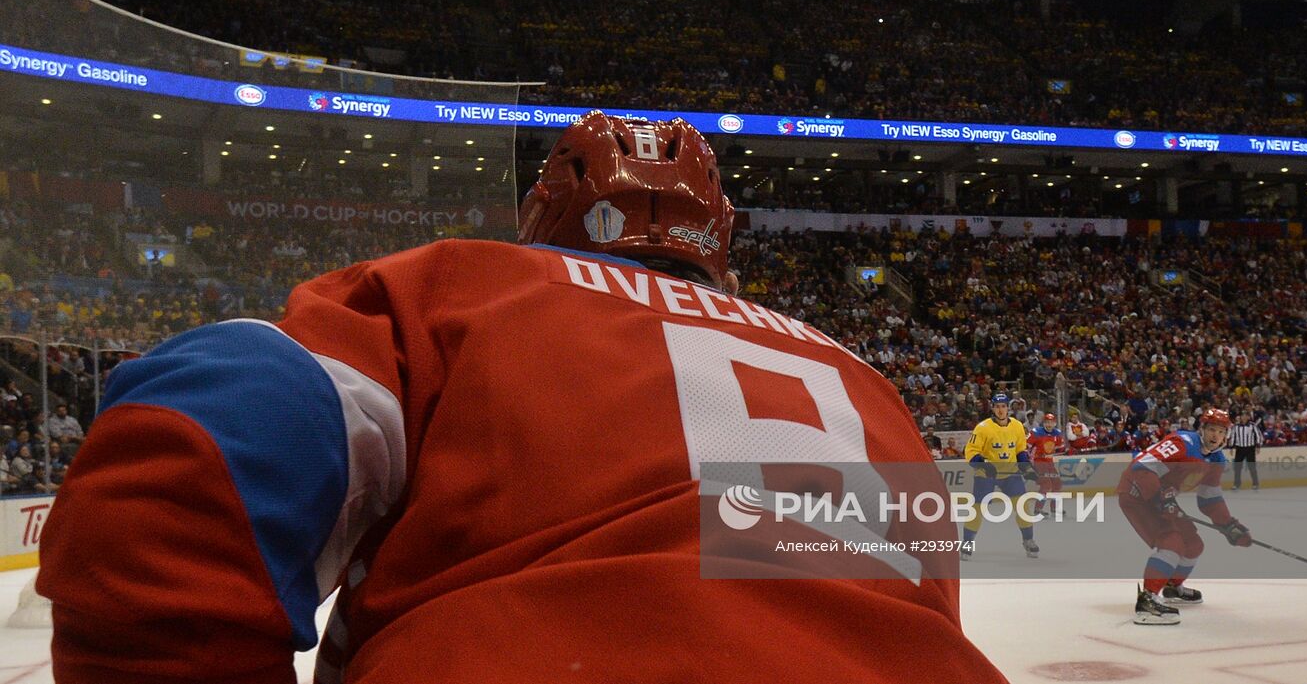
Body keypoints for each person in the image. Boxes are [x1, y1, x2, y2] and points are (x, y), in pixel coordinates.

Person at [38, 112, 1007, 683]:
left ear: (543, 215)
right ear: (724, 243)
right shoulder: (866, 384)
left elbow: (186, 446)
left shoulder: (471, 287)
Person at [1117, 408, 1252, 625]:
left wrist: (1228, 525)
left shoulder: (1216, 460)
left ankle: (1172, 586)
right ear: (1202, 430)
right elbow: (1142, 467)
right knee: (1171, 543)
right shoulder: (1183, 442)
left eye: (1220, 431)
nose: (1215, 436)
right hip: (1137, 495)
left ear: (1226, 436)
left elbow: (1210, 500)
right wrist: (1160, 499)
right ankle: (1147, 601)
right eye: (1211, 429)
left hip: (1162, 499)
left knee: (1193, 545)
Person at [961, 393, 1039, 560]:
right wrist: (984, 465)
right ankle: (967, 543)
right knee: (977, 508)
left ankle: (1028, 539)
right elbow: (970, 451)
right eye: (997, 407)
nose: (1001, 410)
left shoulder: (1017, 426)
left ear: (1008, 408)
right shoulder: (983, 427)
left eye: (1003, 406)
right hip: (987, 473)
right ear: (993, 408)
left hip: (1011, 472)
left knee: (1022, 505)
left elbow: (1020, 450)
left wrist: (1027, 468)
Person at [1026, 412, 1063, 514]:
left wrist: (1068, 450)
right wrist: (1033, 457)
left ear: (1055, 423)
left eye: (1051, 422)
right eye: (1047, 422)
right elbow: (1026, 447)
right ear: (1043, 423)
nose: (1049, 424)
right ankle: (1038, 508)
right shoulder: (1036, 432)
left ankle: (1054, 508)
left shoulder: (1057, 434)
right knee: (1046, 484)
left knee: (1057, 484)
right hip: (1038, 462)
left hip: (1049, 463)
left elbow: (1060, 448)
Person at [1227, 412, 1263, 491]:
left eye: (1245, 415)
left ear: (1248, 417)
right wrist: (1231, 447)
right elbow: (1233, 436)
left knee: (1252, 467)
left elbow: (1258, 435)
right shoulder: (1236, 426)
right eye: (1242, 415)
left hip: (1250, 448)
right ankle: (1237, 484)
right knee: (1237, 467)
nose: (1243, 417)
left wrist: (1258, 446)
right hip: (1239, 448)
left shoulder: (1252, 426)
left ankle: (1255, 483)